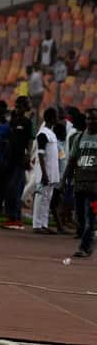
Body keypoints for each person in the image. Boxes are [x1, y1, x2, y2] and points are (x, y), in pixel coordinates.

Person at [63, 108, 97, 258]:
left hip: (95, 187)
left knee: (91, 217)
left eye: (94, 119)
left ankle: (84, 247)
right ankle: (89, 241)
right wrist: (64, 179)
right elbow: (71, 160)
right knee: (81, 218)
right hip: (80, 184)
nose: (91, 122)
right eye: (89, 119)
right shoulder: (79, 137)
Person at [1, 96, 33, 230]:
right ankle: (10, 216)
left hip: (20, 159)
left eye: (20, 106)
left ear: (25, 108)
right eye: (17, 106)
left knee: (15, 188)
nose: (17, 109)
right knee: (9, 188)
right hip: (10, 158)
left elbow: (30, 140)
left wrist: (28, 154)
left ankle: (16, 217)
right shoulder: (13, 121)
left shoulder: (27, 122)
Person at [32, 108, 60, 234]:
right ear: (52, 118)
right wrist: (44, 173)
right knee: (40, 198)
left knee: (47, 199)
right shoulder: (43, 134)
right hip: (44, 172)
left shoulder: (51, 133)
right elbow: (40, 155)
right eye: (56, 116)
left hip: (52, 171)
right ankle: (37, 225)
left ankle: (44, 224)